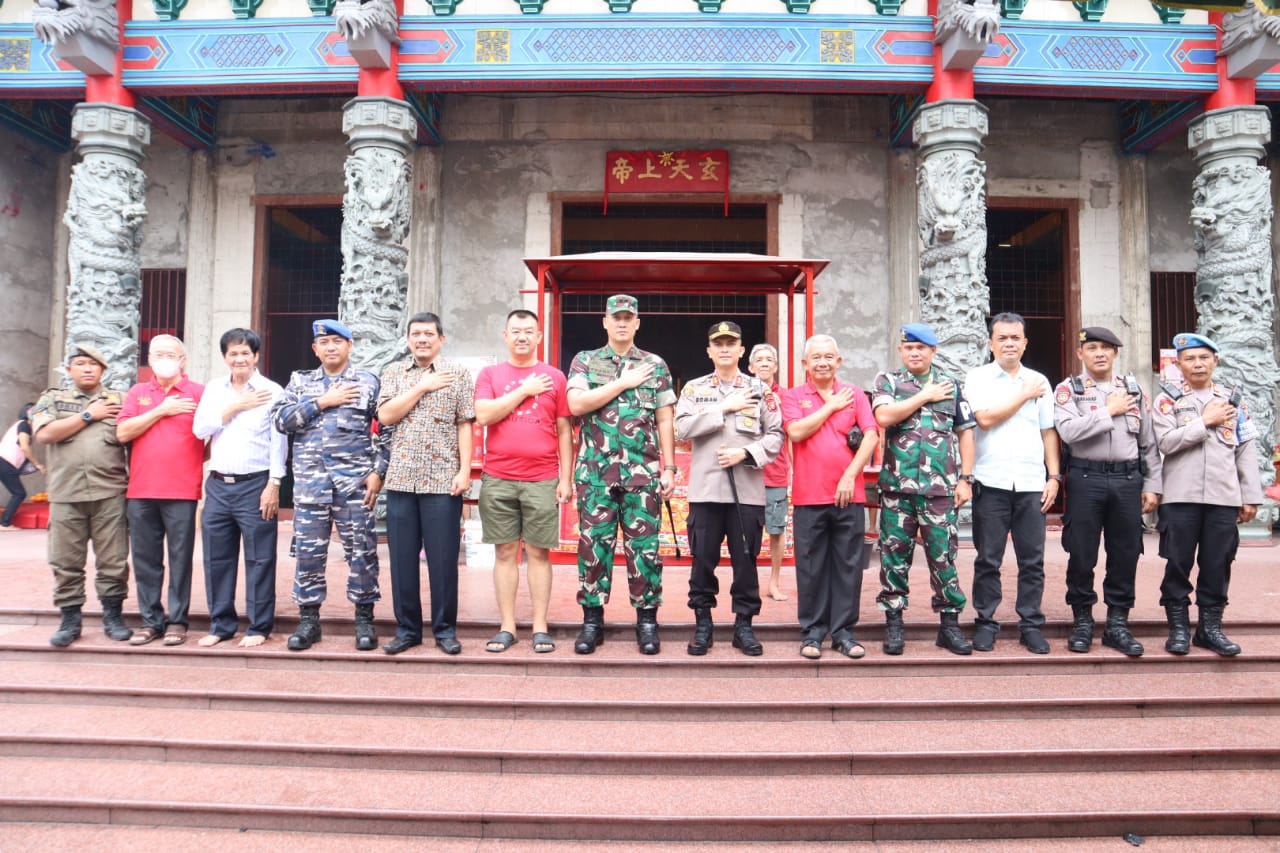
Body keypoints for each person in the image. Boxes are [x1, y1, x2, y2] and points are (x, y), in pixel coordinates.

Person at [567, 294, 677, 655]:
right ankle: (591, 622)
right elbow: (576, 404)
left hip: (643, 474)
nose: (622, 323)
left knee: (645, 550)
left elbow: (665, 418)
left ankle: (647, 622)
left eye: (629, 318)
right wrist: (622, 382)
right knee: (593, 548)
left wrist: (669, 467)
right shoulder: (585, 361)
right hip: (595, 473)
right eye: (616, 317)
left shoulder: (654, 364)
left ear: (637, 323)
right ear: (605, 322)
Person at [273, 319, 387, 652]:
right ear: (315, 349)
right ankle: (309, 621)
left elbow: (389, 427)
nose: (331, 347)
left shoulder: (367, 383)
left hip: (354, 485)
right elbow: (280, 421)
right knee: (308, 555)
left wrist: (379, 471)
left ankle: (364, 620)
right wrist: (322, 401)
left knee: (362, 554)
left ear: (350, 346)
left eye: (338, 341)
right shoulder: (300, 382)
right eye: (324, 343)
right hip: (311, 486)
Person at [675, 322, 782, 657]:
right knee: (702, 561)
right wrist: (722, 408)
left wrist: (745, 453)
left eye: (730, 343)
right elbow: (681, 428)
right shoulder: (694, 389)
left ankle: (744, 626)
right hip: (706, 491)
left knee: (746, 561)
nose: (724, 349)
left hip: (746, 492)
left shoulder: (759, 389)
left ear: (741, 350)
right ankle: (703, 625)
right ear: (709, 351)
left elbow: (776, 435)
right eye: (718, 344)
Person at [1152, 333, 1262, 656]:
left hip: (1223, 498)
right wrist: (1204, 422)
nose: (1197, 364)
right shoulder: (1167, 401)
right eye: (1190, 358)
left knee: (1218, 563)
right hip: (1180, 497)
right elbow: (1165, 442)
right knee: (1177, 563)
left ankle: (1210, 629)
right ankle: (1178, 629)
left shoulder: (1233, 401)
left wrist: (1250, 495)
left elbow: (1246, 449)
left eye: (1204, 357)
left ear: (1216, 361)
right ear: (1179, 365)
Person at [1053, 327, 1161, 657]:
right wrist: (1108, 411)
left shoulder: (1133, 390)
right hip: (1086, 478)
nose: (1099, 353)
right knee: (1081, 552)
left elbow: (1149, 443)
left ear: (1115, 353)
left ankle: (1117, 624)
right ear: (1080, 353)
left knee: (1126, 553)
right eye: (1092, 348)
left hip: (1128, 480)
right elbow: (1068, 432)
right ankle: (1083, 621)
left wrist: (1152, 485)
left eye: (1106, 348)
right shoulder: (1069, 390)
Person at [872, 323, 977, 656]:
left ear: (933, 351)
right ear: (901, 351)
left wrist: (966, 478)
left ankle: (949, 625)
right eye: (908, 348)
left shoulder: (951, 385)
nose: (914, 353)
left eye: (921, 348)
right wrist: (923, 396)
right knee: (893, 558)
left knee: (943, 557)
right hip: (897, 490)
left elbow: (966, 432)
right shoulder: (888, 382)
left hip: (940, 490)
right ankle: (894, 624)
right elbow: (884, 417)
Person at [474, 309, 572, 654]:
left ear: (539, 337)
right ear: (505, 335)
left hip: (542, 478)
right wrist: (525, 390)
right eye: (515, 331)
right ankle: (507, 626)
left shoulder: (555, 377)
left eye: (529, 331)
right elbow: (484, 415)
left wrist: (565, 478)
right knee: (504, 552)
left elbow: (564, 430)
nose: (522, 337)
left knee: (538, 553)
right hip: (498, 477)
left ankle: (540, 626)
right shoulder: (490, 374)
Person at [377, 312, 475, 656]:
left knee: (443, 561)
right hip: (402, 479)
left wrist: (464, 471)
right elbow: (386, 415)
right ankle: (407, 630)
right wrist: (421, 386)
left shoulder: (458, 374)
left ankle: (445, 630)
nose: (422, 339)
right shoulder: (393, 373)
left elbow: (465, 423)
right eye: (416, 334)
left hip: (443, 480)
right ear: (408, 340)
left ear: (441, 339)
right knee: (402, 561)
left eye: (429, 334)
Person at [963, 312, 1061, 655]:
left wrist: (1054, 477)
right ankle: (986, 623)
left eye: (1015, 338)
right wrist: (1023, 395)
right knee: (988, 559)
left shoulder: (1039, 380)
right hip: (990, 481)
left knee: (1032, 560)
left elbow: (1048, 431)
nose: (1009, 344)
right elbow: (984, 419)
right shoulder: (977, 378)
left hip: (1032, 483)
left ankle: (1030, 625)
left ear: (1025, 343)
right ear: (990, 343)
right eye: (1002, 338)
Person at [781, 334, 878, 660]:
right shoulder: (794, 396)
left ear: (839, 361)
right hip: (809, 496)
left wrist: (850, 475)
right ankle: (812, 633)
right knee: (811, 567)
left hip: (849, 495)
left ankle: (844, 633)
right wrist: (831, 407)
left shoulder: (855, 394)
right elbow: (796, 432)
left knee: (848, 566)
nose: (822, 362)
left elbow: (871, 436)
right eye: (816, 357)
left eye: (828, 357)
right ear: (805, 363)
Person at [30, 344, 132, 646]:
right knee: (65, 561)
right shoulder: (52, 398)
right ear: (69, 369)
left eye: (93, 364)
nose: (87, 369)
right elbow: (44, 434)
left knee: (114, 561)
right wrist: (89, 415)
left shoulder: (119, 400)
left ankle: (113, 616)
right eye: (80, 363)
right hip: (66, 494)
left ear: (103, 370)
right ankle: (70, 620)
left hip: (110, 493)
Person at [192, 328, 287, 648]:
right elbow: (200, 429)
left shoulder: (272, 391)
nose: (239, 359)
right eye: (233, 353)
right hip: (218, 485)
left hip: (255, 484)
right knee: (216, 558)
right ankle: (221, 625)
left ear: (256, 356)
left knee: (260, 558)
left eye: (245, 353)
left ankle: (259, 626)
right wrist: (236, 405)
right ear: (224, 357)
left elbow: (279, 443)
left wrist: (274, 484)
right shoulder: (214, 389)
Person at [116, 335, 205, 647]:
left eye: (171, 354)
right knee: (145, 559)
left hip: (182, 490)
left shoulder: (198, 393)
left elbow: (210, 440)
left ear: (183, 359)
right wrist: (161, 410)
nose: (164, 359)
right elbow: (123, 432)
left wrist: (187, 461)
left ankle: (177, 620)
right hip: (141, 490)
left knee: (180, 559)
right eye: (158, 354)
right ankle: (151, 621)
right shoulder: (138, 393)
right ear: (149, 359)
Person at [748, 343, 790, 602]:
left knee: (776, 530)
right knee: (747, 533)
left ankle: (774, 582)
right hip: (747, 474)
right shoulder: (743, 393)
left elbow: (792, 435)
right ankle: (749, 582)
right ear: (750, 367)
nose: (764, 363)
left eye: (769, 360)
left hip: (775, 473)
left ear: (775, 366)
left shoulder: (787, 397)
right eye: (759, 360)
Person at [0, 403, 45, 529]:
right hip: (5, 462)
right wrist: (37, 464)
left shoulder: (22, 425)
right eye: (35, 410)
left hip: (6, 463)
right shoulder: (24, 425)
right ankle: (5, 524)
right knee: (18, 493)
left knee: (18, 493)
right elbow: (24, 447)